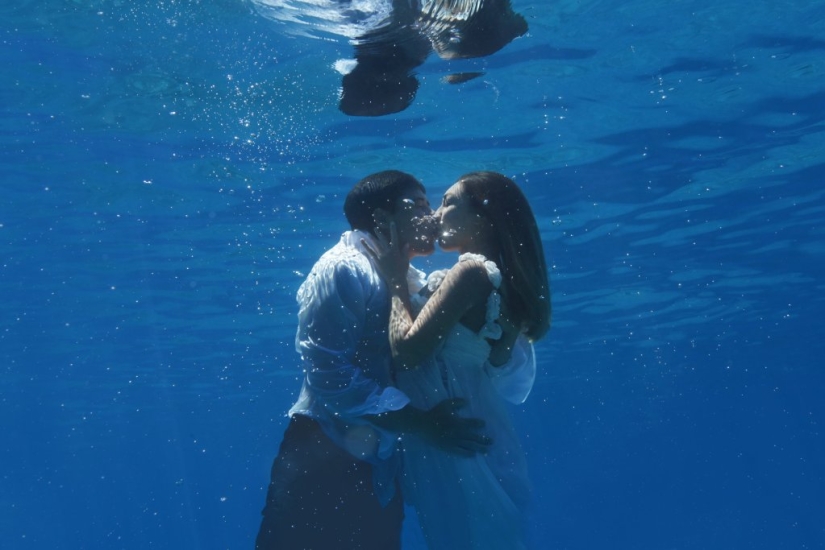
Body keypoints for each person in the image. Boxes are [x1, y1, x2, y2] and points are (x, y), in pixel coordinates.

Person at [255, 170, 509, 550]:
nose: (433, 216)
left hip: (377, 459)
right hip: (324, 453)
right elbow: (330, 375)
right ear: (380, 219)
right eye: (419, 205)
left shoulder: (403, 275)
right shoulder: (342, 267)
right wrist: (420, 424)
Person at [365, 171, 551, 550]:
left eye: (448, 202)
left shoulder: (471, 272)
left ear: (485, 215)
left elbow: (408, 352)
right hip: (478, 427)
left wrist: (396, 278)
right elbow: (493, 367)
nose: (435, 213)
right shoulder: (509, 284)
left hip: (457, 436)